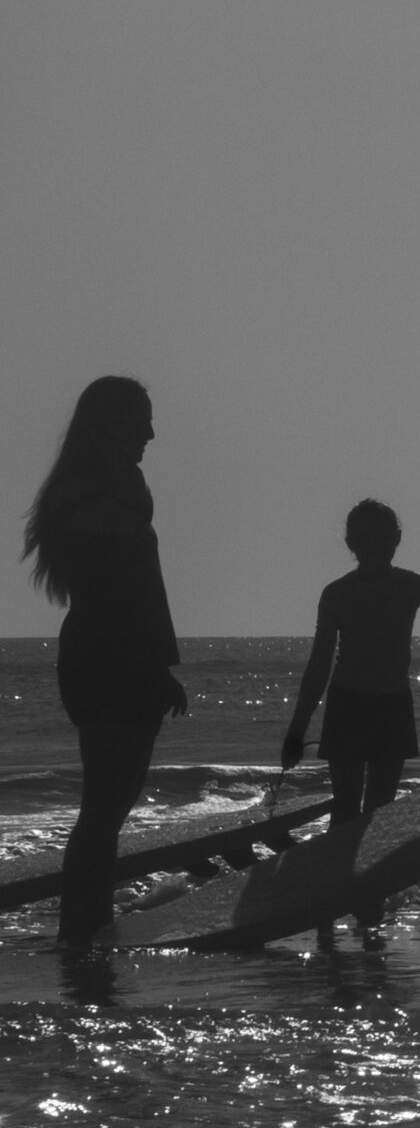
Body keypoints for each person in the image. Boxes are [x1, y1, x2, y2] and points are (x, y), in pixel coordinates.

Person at [22, 376, 188, 947]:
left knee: (113, 805)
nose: (150, 432)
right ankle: (80, 930)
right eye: (140, 419)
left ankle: (90, 924)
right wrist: (151, 664)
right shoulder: (88, 492)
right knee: (104, 806)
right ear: (110, 423)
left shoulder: (119, 487)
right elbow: (121, 584)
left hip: (128, 651)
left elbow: (144, 583)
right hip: (107, 652)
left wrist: (162, 665)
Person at [282, 500, 420, 903]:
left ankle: (364, 910)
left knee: (377, 815)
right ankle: (331, 909)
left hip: (389, 705)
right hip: (349, 704)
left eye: (382, 538)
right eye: (366, 539)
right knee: (347, 812)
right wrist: (297, 730)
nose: (374, 546)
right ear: (351, 542)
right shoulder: (337, 593)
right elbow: (318, 666)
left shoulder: (412, 585)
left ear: (397, 541)